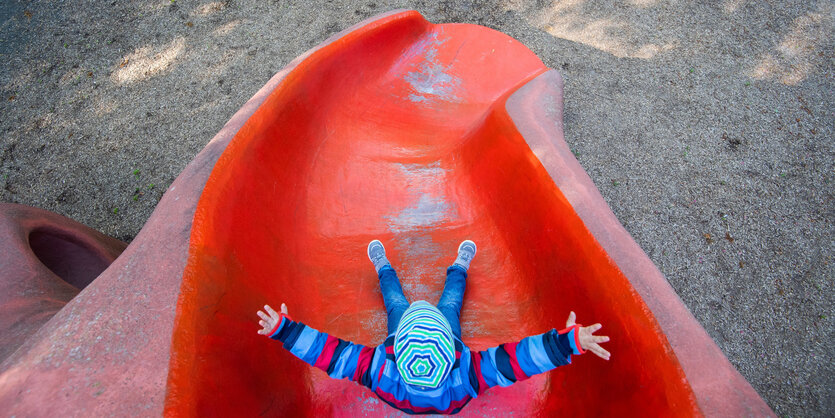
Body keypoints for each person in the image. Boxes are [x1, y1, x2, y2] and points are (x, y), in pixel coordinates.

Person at [256, 240, 610, 414]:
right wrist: (565, 344)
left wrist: (285, 331)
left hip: (403, 376)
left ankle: (383, 268)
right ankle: (459, 266)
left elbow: (330, 354)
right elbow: (516, 362)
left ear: (394, 348)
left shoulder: (379, 371)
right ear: (452, 349)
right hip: (442, 370)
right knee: (451, 303)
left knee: (396, 304)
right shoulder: (467, 375)